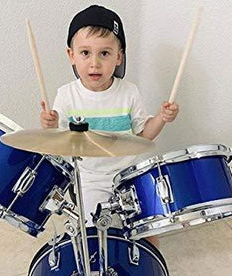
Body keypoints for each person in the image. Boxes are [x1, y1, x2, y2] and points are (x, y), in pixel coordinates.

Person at [40, 5, 179, 247]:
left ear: (119, 57)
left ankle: (151, 265)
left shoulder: (129, 92)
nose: (94, 63)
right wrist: (49, 126)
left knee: (147, 231)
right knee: (91, 237)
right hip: (90, 178)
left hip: (128, 174)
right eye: (85, 53)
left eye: (104, 53)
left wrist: (161, 118)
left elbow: (144, 136)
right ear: (71, 55)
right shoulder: (66, 95)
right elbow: (56, 142)